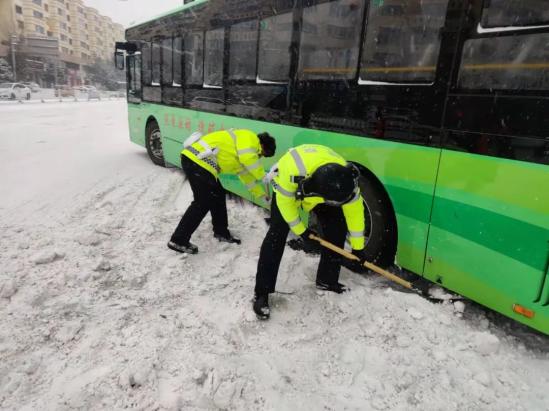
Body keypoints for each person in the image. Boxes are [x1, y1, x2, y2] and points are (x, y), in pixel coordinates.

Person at [253, 144, 367, 320]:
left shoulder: (345, 179)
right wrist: (303, 232)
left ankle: (327, 280)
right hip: (291, 191)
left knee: (336, 229)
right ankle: (261, 293)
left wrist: (358, 248)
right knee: (276, 235)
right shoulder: (290, 173)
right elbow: (286, 207)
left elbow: (355, 213)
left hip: (326, 188)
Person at [168, 129, 276, 254]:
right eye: (262, 154)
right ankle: (178, 239)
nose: (260, 156)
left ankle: (221, 232)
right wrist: (263, 176)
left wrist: (262, 195)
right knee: (202, 202)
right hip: (197, 161)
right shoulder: (249, 138)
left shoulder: (242, 152)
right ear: (263, 144)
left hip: (202, 164)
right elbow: (249, 159)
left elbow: (247, 177)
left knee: (218, 196)